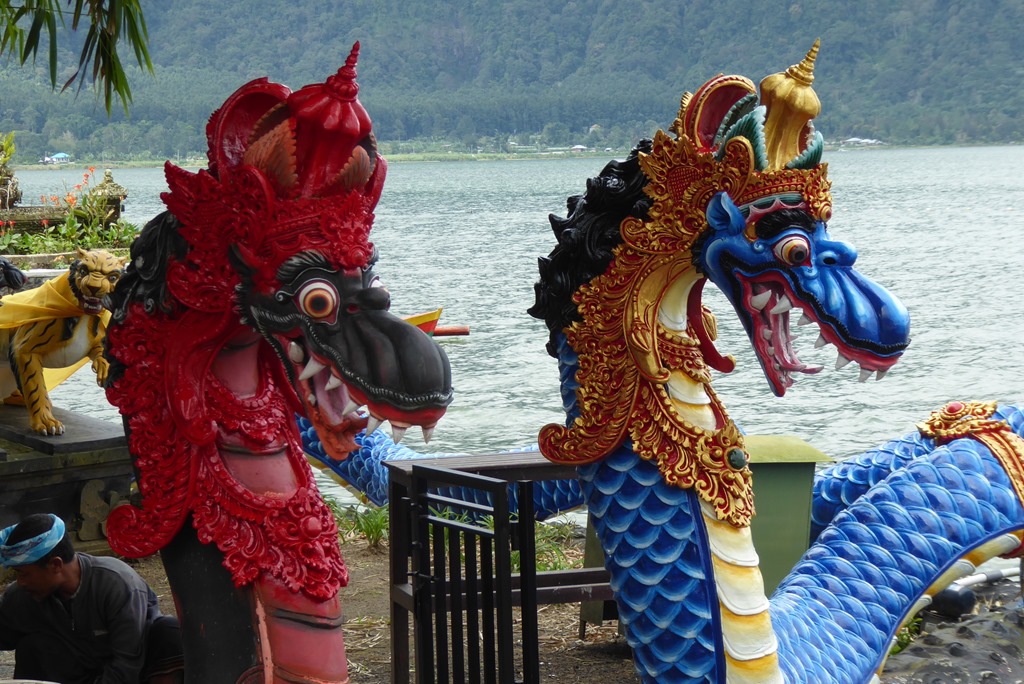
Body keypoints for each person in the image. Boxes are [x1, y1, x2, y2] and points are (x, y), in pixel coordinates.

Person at [0, 513, 184, 683]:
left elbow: (127, 664)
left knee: (168, 632)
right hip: (80, 670)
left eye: (24, 574)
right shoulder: (23, 595)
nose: (21, 582)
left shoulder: (116, 584)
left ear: (56, 565)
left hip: (133, 673)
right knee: (32, 646)